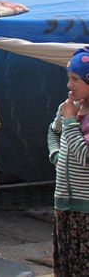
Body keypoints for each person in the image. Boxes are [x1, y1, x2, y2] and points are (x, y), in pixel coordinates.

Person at [47, 46, 89, 276]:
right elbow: (53, 132)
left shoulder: (71, 113)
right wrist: (56, 154)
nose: (69, 85)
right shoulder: (68, 108)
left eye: (75, 79)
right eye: (68, 78)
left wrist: (71, 120)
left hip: (86, 212)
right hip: (63, 207)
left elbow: (85, 158)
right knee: (65, 267)